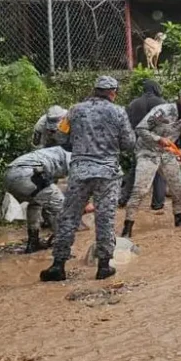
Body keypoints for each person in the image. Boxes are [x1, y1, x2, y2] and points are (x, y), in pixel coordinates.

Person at [40, 76, 134, 282]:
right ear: (112, 92)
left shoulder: (74, 110)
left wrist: (81, 145)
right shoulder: (118, 111)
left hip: (79, 171)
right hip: (107, 172)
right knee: (105, 218)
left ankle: (58, 265)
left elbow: (60, 137)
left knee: (69, 216)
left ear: (95, 90)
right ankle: (103, 266)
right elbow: (129, 142)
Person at [123, 91, 181, 237]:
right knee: (140, 190)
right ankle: (127, 229)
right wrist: (158, 139)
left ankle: (179, 226)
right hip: (147, 153)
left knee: (178, 189)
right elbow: (140, 129)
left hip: (167, 155)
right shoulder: (162, 111)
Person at [3, 146, 69, 253]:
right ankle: (62, 249)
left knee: (35, 203)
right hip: (28, 174)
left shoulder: (54, 153)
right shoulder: (73, 159)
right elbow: (77, 186)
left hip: (9, 175)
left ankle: (33, 243)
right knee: (60, 205)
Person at [120, 79, 167, 211]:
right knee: (159, 172)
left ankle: (123, 198)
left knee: (135, 170)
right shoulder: (162, 103)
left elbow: (127, 124)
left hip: (139, 142)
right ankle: (157, 203)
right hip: (157, 141)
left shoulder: (133, 104)